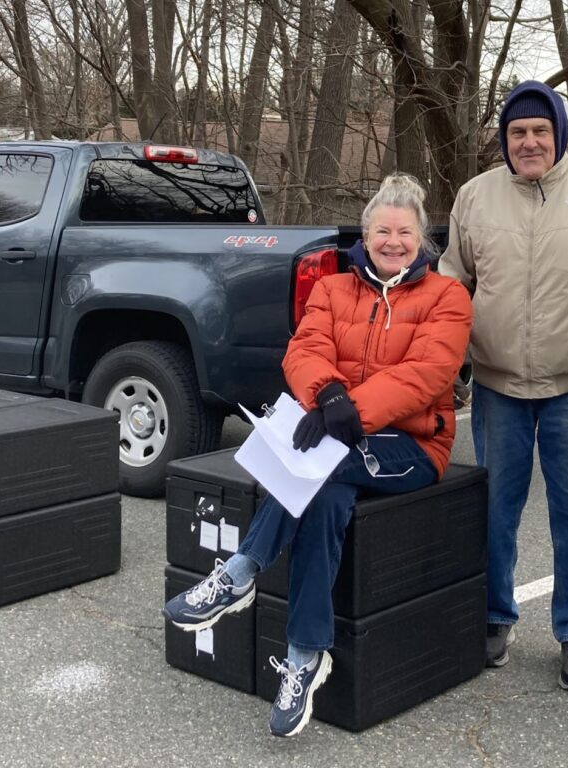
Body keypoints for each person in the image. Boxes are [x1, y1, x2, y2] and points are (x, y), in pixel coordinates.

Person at [163, 174, 472, 738]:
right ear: (368, 233)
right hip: (338, 440)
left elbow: (429, 372)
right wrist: (327, 394)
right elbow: (306, 348)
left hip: (412, 445)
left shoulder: (446, 297)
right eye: (383, 230)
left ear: (420, 237)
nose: (393, 241)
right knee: (324, 495)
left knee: (320, 468)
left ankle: (241, 570)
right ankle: (305, 658)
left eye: (405, 232)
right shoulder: (333, 288)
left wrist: (347, 412)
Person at [440, 80, 568, 691]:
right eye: (517, 132)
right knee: (494, 511)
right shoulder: (475, 197)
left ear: (560, 135)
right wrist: (448, 364)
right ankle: (494, 617)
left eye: (539, 131)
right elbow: (451, 284)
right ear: (504, 139)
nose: (528, 142)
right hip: (498, 387)